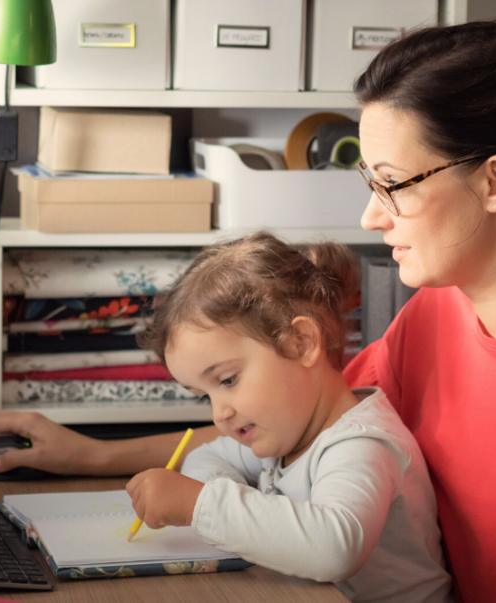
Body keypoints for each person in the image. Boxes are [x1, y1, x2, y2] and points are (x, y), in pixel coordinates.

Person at [0, 20, 496, 602]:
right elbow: (284, 425)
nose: (373, 217)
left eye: (392, 184)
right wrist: (87, 454)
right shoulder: (436, 315)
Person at [125, 232, 452, 603]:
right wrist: (224, 497)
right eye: (206, 397)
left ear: (302, 343)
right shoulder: (287, 434)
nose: (220, 413)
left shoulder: (362, 443)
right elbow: (207, 456)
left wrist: (200, 504)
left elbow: (334, 549)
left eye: (228, 380)